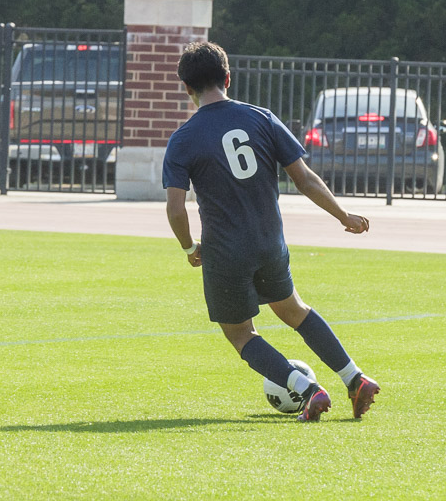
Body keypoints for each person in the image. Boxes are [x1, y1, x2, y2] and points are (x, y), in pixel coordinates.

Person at [162, 41, 380, 422]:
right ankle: (354, 377)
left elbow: (176, 208)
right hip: (270, 243)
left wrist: (188, 247)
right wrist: (343, 215)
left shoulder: (184, 138)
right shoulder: (261, 118)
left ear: (186, 88)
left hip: (225, 251)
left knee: (241, 334)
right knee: (294, 309)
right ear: (228, 78)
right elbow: (306, 180)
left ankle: (308, 390)